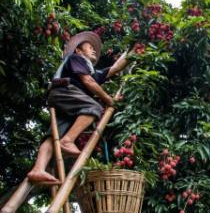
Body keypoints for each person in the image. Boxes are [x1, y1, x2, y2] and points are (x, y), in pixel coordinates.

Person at [27, 31, 132, 184]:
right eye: (90, 47)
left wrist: (133, 49)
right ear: (78, 50)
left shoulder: (92, 71)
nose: (94, 50)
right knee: (94, 107)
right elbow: (88, 82)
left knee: (53, 135)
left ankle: (38, 169)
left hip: (67, 102)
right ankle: (68, 141)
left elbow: (115, 67)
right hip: (64, 92)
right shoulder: (76, 59)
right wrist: (108, 99)